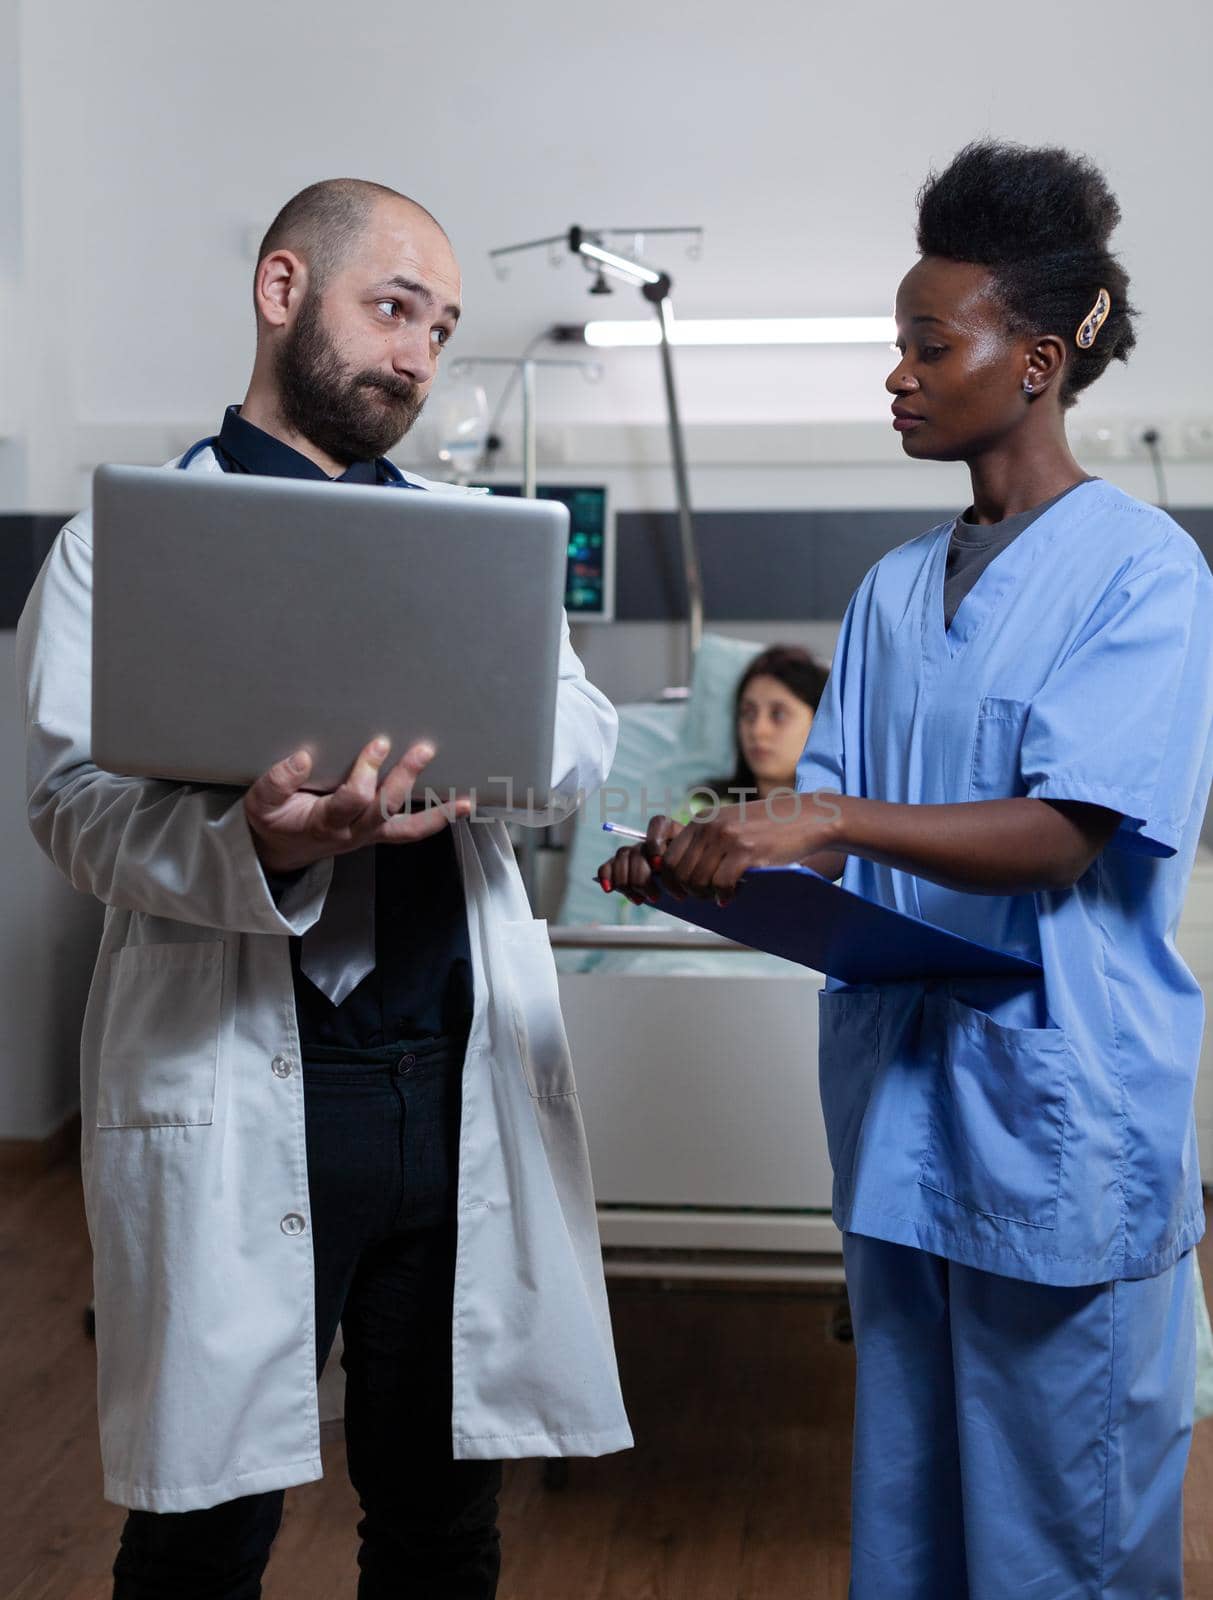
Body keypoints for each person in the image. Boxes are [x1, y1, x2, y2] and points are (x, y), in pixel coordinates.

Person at [601, 140, 1213, 1597]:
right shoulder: (888, 591)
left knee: (1059, 1538)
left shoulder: (1145, 574)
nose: (897, 373)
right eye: (896, 343)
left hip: (1058, 1124)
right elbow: (838, 868)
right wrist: (702, 867)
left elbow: (1064, 832)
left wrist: (824, 824)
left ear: (1039, 361)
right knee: (915, 1531)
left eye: (929, 344)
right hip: (901, 1124)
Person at [18, 178, 631, 1600]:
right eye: (392, 308)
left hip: (448, 1075)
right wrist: (270, 842)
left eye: (442, 327)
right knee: (202, 1528)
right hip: (248, 1086)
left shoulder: (475, 543)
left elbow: (583, 740)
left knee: (439, 1523)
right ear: (283, 292)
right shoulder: (128, 544)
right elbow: (74, 811)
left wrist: (482, 742)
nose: (418, 356)